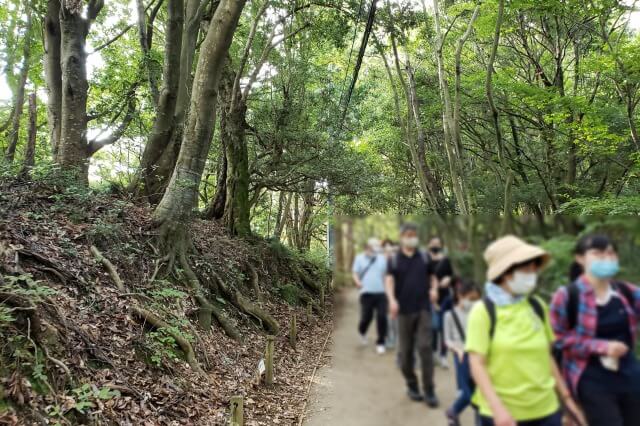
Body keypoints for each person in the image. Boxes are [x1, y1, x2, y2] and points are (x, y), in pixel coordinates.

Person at [465, 235, 584, 426]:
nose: (533, 275)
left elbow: (548, 356)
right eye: (526, 269)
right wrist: (498, 410)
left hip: (547, 410)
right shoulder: (483, 312)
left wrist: (567, 399)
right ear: (506, 273)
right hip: (505, 415)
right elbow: (477, 364)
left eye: (534, 269)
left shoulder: (537, 306)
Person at [550, 234, 640, 426]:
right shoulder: (567, 296)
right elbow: (558, 338)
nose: (606, 258)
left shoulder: (626, 292)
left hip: (628, 372)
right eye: (597, 253)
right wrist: (601, 347)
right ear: (580, 258)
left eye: (610, 253)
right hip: (590, 376)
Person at [385, 223, 440, 407]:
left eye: (414, 234)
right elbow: (389, 280)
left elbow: (433, 277)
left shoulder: (424, 257)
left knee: (425, 347)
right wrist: (392, 300)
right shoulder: (394, 259)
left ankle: (429, 389)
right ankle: (412, 384)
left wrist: (434, 289)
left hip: (423, 308)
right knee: (406, 353)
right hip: (403, 311)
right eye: (408, 234)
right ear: (402, 237)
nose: (412, 237)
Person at [444, 278, 481, 426]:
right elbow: (447, 339)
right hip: (462, 357)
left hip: (478, 356)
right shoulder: (450, 315)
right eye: (471, 299)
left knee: (480, 396)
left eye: (476, 299)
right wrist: (457, 349)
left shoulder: (479, 313)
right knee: (467, 394)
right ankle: (453, 410)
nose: (473, 302)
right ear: (460, 295)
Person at [352, 237, 388, 354]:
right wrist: (357, 281)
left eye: (378, 246)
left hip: (381, 293)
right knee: (367, 317)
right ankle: (362, 331)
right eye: (375, 246)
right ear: (368, 246)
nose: (377, 248)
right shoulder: (359, 258)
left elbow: (386, 275)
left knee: (382, 316)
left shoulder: (382, 259)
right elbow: (355, 273)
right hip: (366, 293)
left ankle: (381, 342)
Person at [428, 237, 454, 369]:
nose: (435, 246)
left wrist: (447, 280)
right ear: (429, 244)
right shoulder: (425, 260)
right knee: (433, 326)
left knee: (444, 327)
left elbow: (451, 275)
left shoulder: (445, 260)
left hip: (445, 297)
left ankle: (443, 355)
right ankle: (433, 353)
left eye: (438, 244)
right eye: (433, 244)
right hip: (430, 297)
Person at [382, 239, 399, 349]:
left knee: (395, 317)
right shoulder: (380, 260)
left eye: (390, 249)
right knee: (386, 317)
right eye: (386, 249)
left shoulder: (395, 261)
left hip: (396, 292)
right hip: (383, 292)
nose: (388, 251)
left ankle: (395, 339)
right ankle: (388, 338)